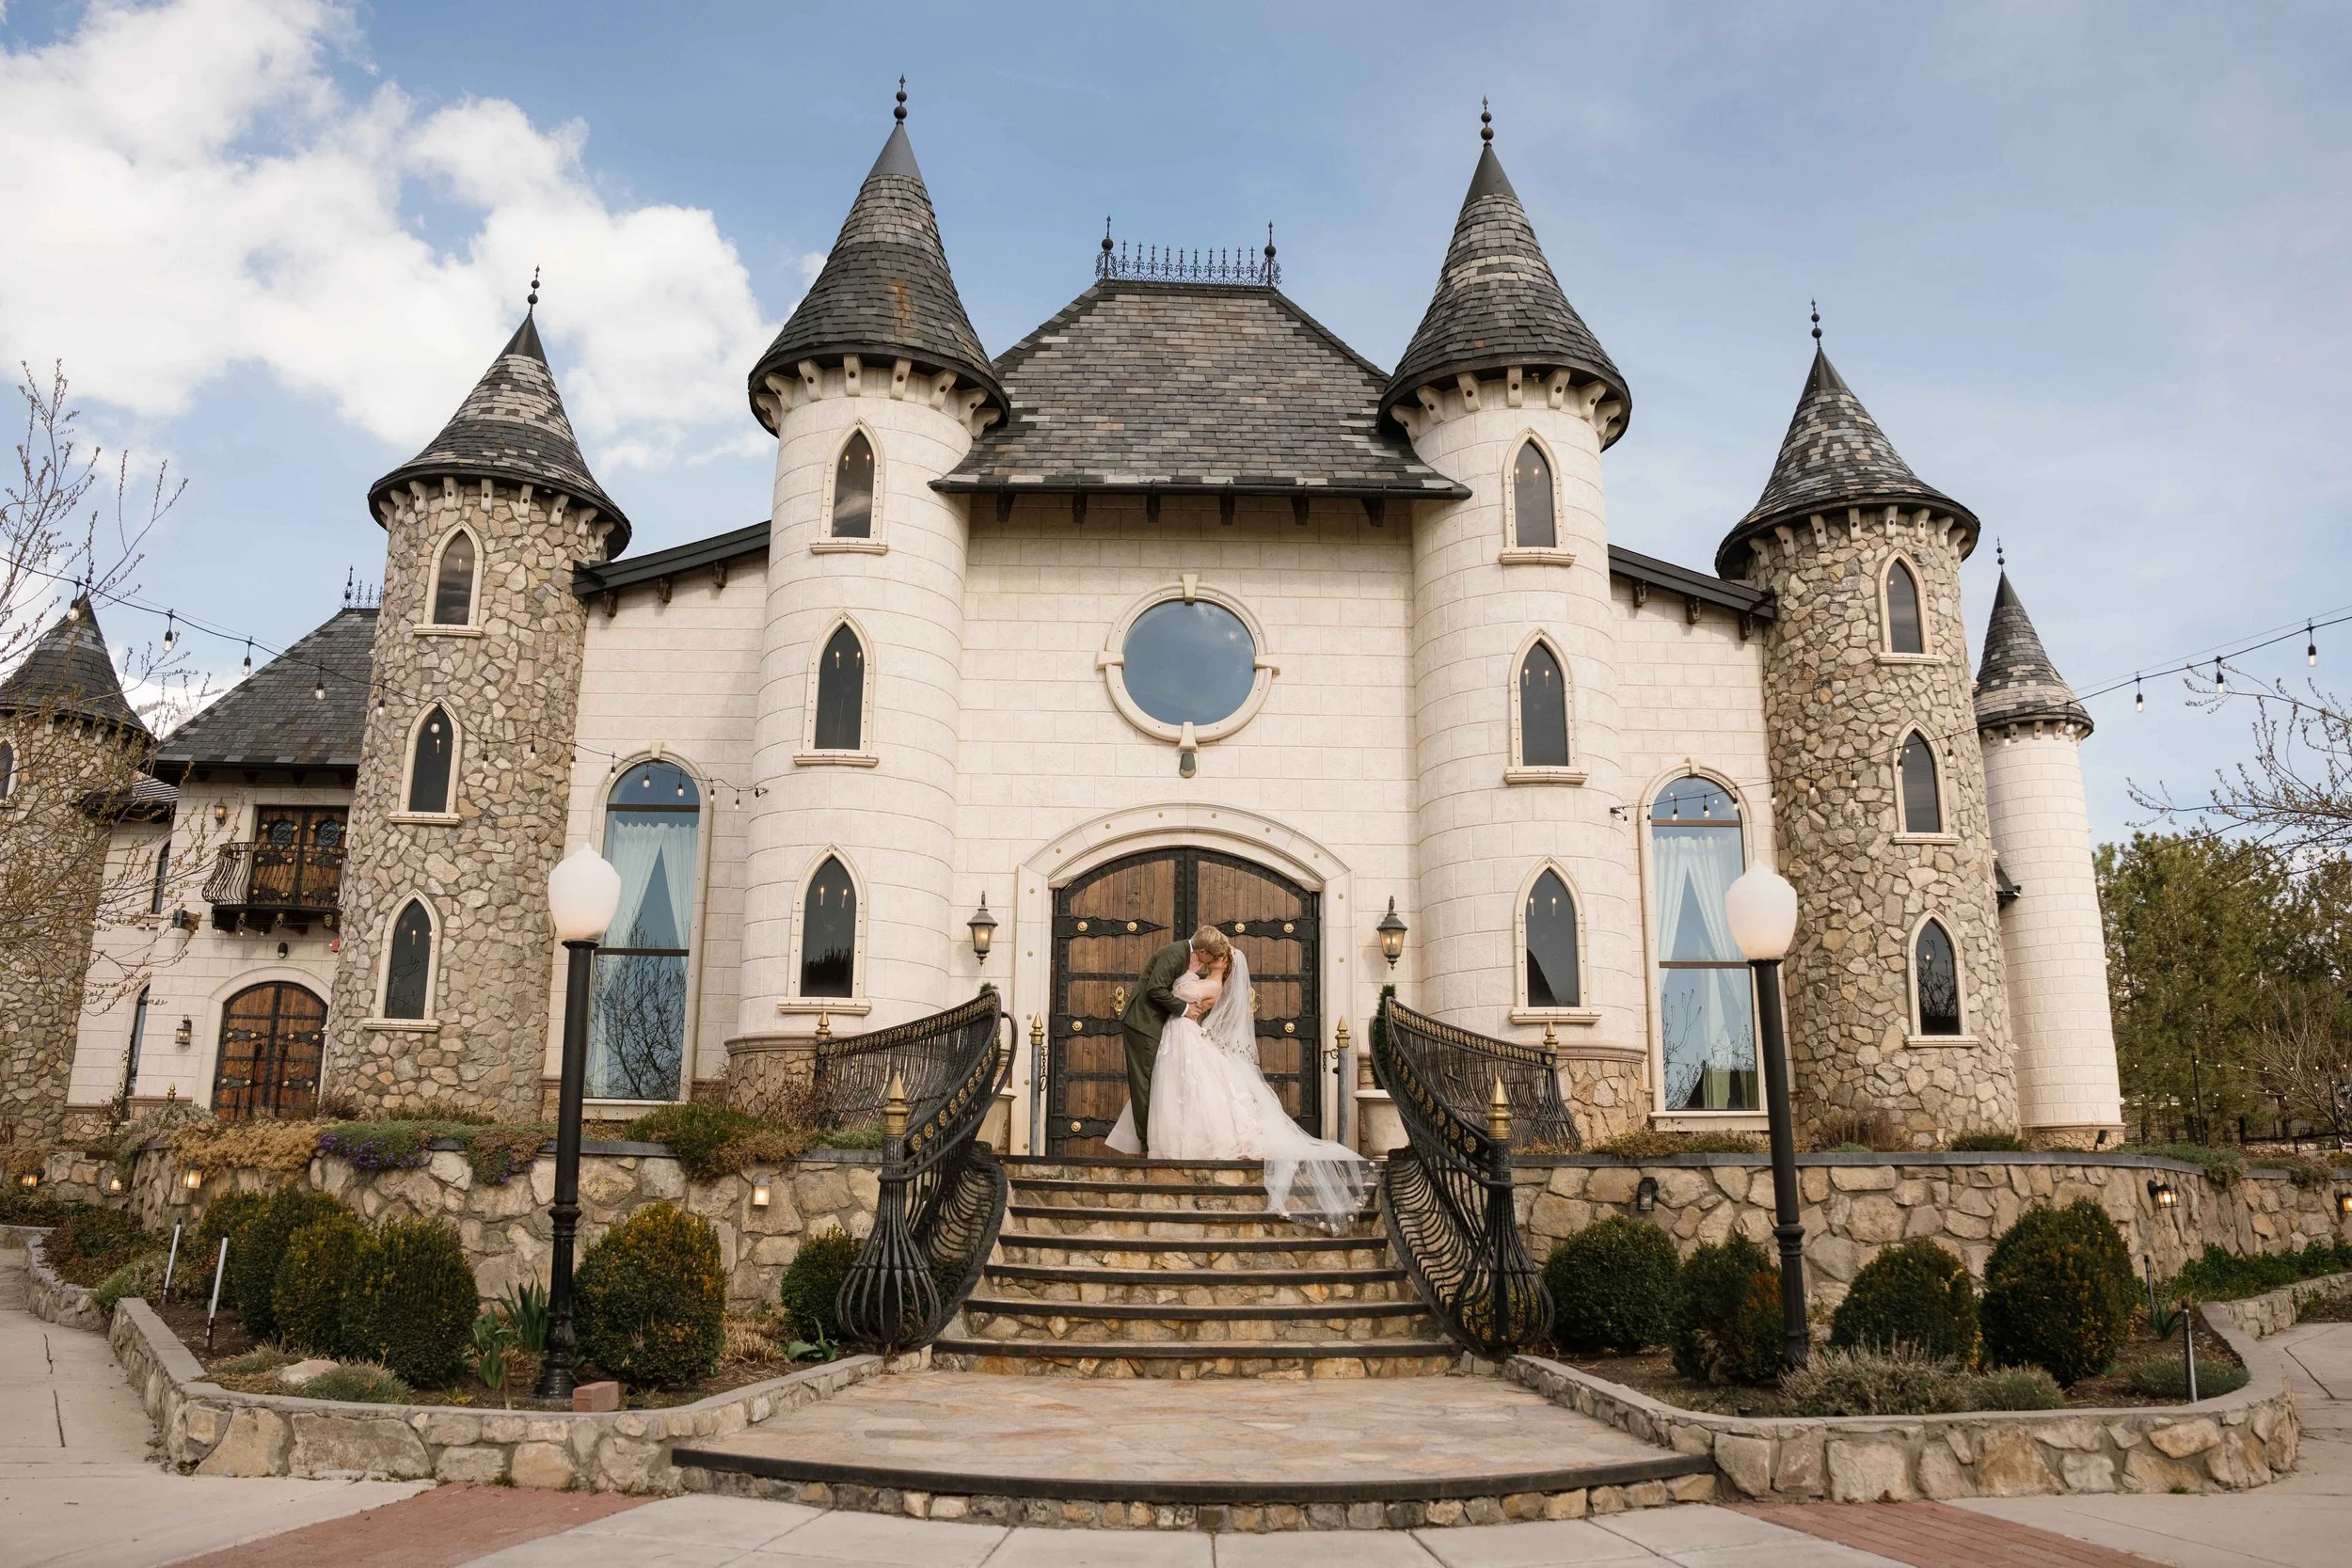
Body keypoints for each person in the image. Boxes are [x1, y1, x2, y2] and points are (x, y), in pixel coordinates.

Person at [1107, 930, 1372, 1227]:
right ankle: (1154, 1142)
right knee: (1170, 1088)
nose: (1209, 960)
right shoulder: (1193, 971)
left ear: (1222, 962)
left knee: (1182, 1088)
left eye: (1217, 958)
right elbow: (1167, 989)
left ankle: (1162, 1144)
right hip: (1175, 1035)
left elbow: (1172, 995)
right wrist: (1187, 978)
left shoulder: (1212, 986)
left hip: (1183, 1035)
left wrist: (1184, 995)